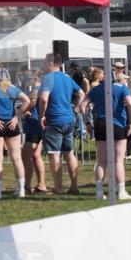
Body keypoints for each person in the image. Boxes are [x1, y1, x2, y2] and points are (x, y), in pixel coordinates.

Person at [78, 67, 131, 200]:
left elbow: (82, 106)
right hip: (118, 124)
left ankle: (99, 192)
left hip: (100, 124)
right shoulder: (122, 88)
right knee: (118, 161)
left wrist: (87, 123)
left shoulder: (96, 89)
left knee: (102, 161)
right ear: (114, 76)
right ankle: (121, 191)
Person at [0, 69, 30, 199]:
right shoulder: (13, 89)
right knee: (17, 158)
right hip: (12, 124)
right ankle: (21, 190)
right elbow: (27, 101)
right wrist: (16, 116)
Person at [38, 53, 82, 195]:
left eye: (45, 62)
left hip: (54, 120)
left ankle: (58, 188)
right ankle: (74, 186)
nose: (43, 64)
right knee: (69, 153)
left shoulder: (48, 78)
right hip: (69, 120)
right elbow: (81, 93)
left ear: (51, 62)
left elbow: (44, 99)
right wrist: (76, 108)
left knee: (54, 155)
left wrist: (41, 116)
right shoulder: (67, 78)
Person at [20, 78, 49, 194]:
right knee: (36, 156)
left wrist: (22, 111)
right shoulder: (42, 90)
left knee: (25, 157)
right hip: (38, 127)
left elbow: (30, 102)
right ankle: (41, 184)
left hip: (34, 127)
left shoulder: (36, 91)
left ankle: (27, 185)